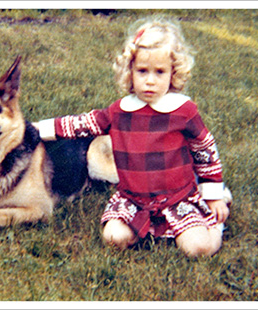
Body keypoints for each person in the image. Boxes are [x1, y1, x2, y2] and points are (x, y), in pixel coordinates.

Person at [36, 17, 230, 257]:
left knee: (197, 248)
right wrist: (36, 129)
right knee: (113, 237)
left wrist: (214, 195)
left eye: (160, 72)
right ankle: (145, 225)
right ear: (130, 71)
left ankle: (214, 224)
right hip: (134, 199)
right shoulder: (119, 111)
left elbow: (205, 151)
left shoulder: (183, 111)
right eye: (142, 71)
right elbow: (81, 124)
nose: (150, 80)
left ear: (173, 73)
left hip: (177, 198)